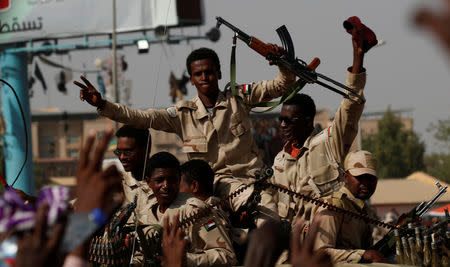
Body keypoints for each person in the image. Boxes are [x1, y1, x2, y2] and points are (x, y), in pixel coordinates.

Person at [74, 46, 296, 226]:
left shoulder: (239, 97)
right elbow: (141, 117)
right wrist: (103, 104)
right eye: (198, 74)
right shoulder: (182, 114)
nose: (204, 77)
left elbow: (282, 85)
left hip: (256, 177)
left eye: (209, 72)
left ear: (219, 73)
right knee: (270, 223)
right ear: (191, 79)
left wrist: (282, 62)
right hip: (217, 184)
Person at [270, 17, 376, 231]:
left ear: (308, 121)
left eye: (289, 120)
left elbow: (350, 106)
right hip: (294, 249)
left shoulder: (328, 143)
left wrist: (358, 57)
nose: (282, 125)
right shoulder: (279, 161)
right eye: (281, 120)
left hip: (331, 243)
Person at [138, 152, 237, 267]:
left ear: (179, 179)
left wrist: (184, 259)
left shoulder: (196, 210)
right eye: (159, 180)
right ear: (148, 181)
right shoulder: (145, 214)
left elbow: (227, 256)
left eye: (172, 180)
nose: (166, 185)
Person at [308, 150, 387, 263]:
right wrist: (362, 255)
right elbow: (320, 253)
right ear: (345, 177)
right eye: (359, 177)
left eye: (370, 178)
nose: (365, 183)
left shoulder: (364, 209)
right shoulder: (333, 206)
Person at [113, 125, 155, 213]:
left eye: (128, 152)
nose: (122, 157)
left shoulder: (163, 183)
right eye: (118, 152)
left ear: (146, 149)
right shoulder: (116, 184)